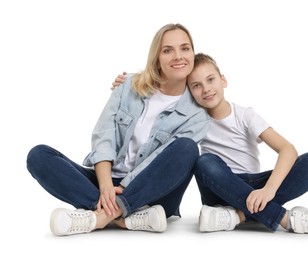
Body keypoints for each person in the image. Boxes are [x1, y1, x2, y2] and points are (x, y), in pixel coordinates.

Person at [112, 53, 308, 235]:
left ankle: (237, 216)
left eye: (210, 80)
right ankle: (285, 218)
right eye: (196, 86)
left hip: (255, 188)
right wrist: (130, 81)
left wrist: (268, 190)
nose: (206, 89)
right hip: (218, 187)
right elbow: (162, 93)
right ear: (189, 92)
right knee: (204, 162)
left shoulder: (245, 116)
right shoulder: (191, 120)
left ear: (223, 80)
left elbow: (287, 150)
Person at [26, 23, 210, 236]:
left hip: (152, 190)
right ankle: (127, 216)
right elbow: (104, 136)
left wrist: (123, 192)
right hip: (108, 182)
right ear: (157, 57)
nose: (178, 56)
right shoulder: (129, 85)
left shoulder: (198, 115)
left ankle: (100, 216)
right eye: (167, 50)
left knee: (187, 149)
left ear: (193, 53)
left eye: (185, 48)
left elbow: (161, 161)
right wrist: (105, 186)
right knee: (39, 156)